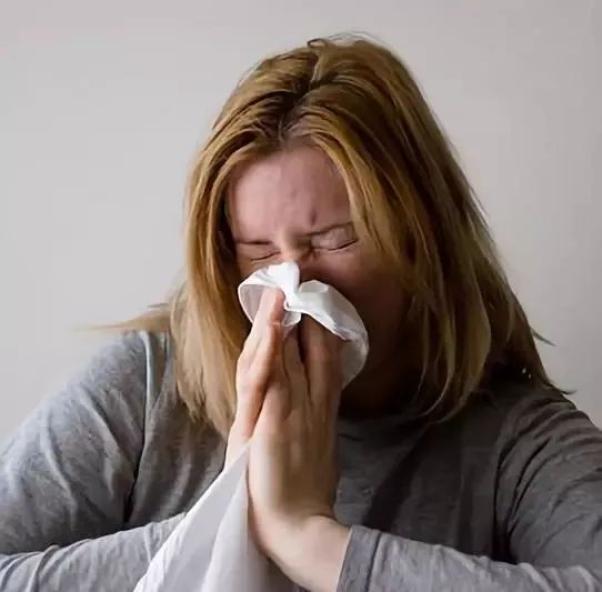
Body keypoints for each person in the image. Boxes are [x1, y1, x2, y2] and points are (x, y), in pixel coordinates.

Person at [1, 33, 601, 592]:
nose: (292, 285)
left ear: (423, 238)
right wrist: (226, 522)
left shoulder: (516, 438)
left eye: (335, 239)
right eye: (259, 252)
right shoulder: (148, 386)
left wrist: (307, 537)